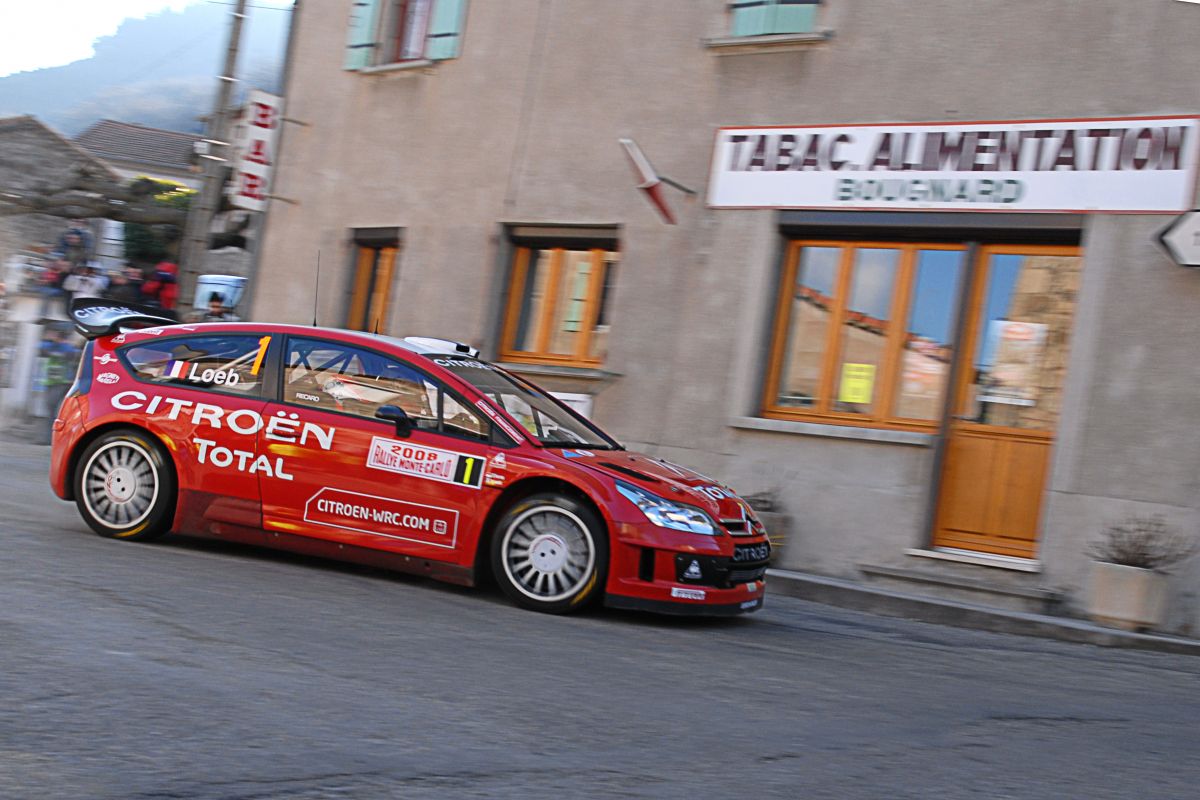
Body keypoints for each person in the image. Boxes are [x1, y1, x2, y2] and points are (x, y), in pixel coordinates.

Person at [35, 329, 79, 445]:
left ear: (58, 335)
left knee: (54, 412)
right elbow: (41, 349)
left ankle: (52, 439)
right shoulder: (48, 345)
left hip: (61, 383)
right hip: (50, 383)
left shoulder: (67, 348)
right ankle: (49, 439)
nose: (49, 334)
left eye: (51, 333)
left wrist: (61, 344)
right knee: (50, 412)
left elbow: (70, 354)